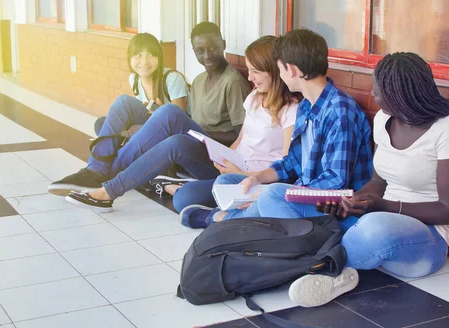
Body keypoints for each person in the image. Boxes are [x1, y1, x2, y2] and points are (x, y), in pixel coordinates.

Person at [286, 52, 449, 308]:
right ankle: (332, 260)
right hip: (375, 217)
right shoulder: (384, 120)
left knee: (376, 226)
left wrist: (383, 206)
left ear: (400, 94)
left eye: (378, 91)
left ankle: (327, 271)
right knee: (278, 195)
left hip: (424, 239)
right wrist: (350, 202)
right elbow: (378, 180)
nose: (372, 95)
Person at [64, 36, 300, 214]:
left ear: (275, 71)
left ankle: (150, 180)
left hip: (248, 178)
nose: (249, 77)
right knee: (168, 116)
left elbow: (287, 166)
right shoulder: (255, 98)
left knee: (183, 199)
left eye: (256, 71)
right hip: (227, 164)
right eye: (248, 70)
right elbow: (241, 138)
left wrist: (243, 174)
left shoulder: (292, 110)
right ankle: (108, 190)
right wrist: (224, 156)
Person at [179, 29, 373, 228]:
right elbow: (292, 161)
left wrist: (281, 193)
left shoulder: (340, 112)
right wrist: (257, 178)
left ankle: (221, 221)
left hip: (334, 210)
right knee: (228, 181)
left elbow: (335, 182)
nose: (279, 74)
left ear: (292, 70)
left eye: (279, 68)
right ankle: (245, 223)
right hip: (305, 194)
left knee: (271, 196)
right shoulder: (307, 106)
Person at [47, 23, 250, 196]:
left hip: (214, 152)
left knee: (169, 113)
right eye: (200, 50)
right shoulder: (198, 81)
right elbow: (191, 118)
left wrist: (196, 134)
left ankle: (108, 171)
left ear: (223, 45)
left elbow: (241, 135)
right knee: (123, 103)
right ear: (193, 51)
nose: (207, 55)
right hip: (191, 141)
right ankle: (96, 168)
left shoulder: (232, 82)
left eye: (213, 48)